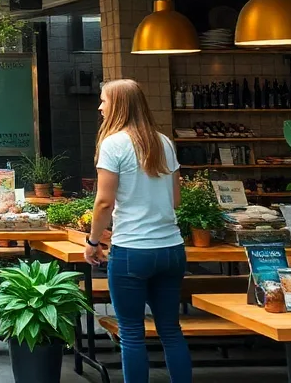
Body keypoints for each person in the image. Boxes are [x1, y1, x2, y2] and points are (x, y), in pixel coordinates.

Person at [85, 79, 190, 383]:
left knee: (131, 333)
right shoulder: (164, 143)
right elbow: (176, 199)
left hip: (132, 251)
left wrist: (93, 241)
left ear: (118, 105)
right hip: (171, 248)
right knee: (171, 330)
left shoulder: (113, 144)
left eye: (104, 100)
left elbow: (104, 202)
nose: (100, 106)